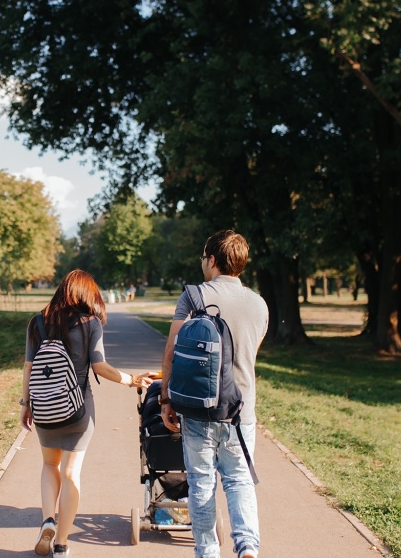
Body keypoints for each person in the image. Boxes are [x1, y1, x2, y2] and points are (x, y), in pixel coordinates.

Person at [20, 269, 154, 557]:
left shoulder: (37, 323)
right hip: (78, 410)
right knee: (71, 473)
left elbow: (29, 368)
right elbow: (100, 367)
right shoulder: (90, 324)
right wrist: (131, 380)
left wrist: (26, 404)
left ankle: (47, 520)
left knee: (49, 466)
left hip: (44, 409)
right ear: (86, 294)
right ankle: (62, 545)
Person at [159, 230, 269, 558]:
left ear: (212, 260)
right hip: (240, 411)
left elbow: (172, 351)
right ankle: (247, 546)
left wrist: (165, 398)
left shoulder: (193, 296)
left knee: (202, 484)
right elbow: (249, 356)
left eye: (203, 257)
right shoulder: (259, 304)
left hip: (197, 410)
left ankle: (208, 552)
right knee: (239, 481)